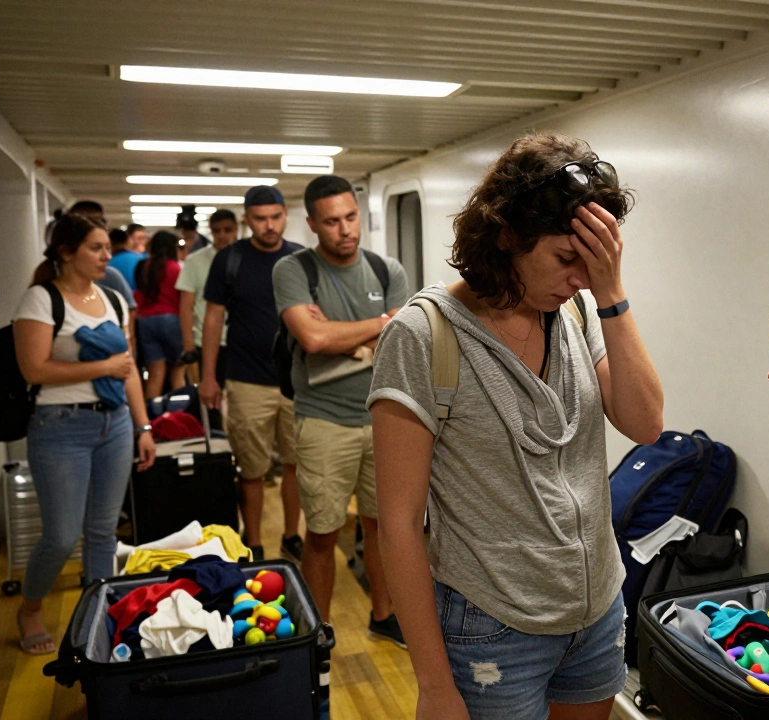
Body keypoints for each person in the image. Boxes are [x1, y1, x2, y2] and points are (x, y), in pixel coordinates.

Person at [368, 133, 665, 720]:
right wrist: (432, 684)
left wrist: (611, 292)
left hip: (596, 608)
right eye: (564, 258)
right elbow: (399, 523)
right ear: (506, 236)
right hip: (492, 628)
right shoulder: (424, 335)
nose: (579, 276)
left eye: (594, 260)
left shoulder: (576, 310)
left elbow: (646, 423)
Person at [273, 175, 410, 641]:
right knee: (323, 532)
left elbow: (398, 342)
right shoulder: (293, 271)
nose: (345, 229)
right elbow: (311, 338)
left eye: (351, 217)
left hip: (385, 419)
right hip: (323, 421)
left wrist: (339, 336)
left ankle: (383, 614)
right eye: (331, 222)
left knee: (382, 527)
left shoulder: (387, 269)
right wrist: (375, 327)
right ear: (312, 224)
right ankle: (319, 631)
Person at [12, 213, 156, 654]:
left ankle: (98, 619)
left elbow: (128, 368)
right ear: (66, 252)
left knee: (101, 532)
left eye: (107, 248)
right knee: (60, 534)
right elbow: (33, 369)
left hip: (113, 424)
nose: (106, 256)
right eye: (96, 248)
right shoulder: (40, 300)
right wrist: (103, 367)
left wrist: (143, 425)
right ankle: (31, 608)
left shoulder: (112, 298)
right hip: (60, 427)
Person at [200, 186, 304, 563]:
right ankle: (254, 541)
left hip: (297, 381)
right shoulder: (231, 260)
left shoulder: (299, 258)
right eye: (260, 219)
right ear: (247, 220)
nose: (269, 226)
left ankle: (293, 535)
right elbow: (213, 319)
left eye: (275, 217)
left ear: (285, 214)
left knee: (296, 464)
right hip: (246, 379)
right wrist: (208, 376)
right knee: (252, 468)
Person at [177, 209, 238, 384]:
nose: (222, 235)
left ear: (236, 230)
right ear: (210, 231)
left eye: (228, 230)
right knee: (211, 399)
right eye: (217, 230)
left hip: (241, 341)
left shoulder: (247, 258)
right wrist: (188, 344)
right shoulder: (195, 261)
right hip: (206, 342)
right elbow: (186, 306)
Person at [134, 230, 186, 399]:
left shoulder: (144, 266)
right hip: (171, 319)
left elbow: (139, 293)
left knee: (155, 371)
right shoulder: (174, 267)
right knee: (178, 370)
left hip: (145, 321)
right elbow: (181, 298)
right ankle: (179, 417)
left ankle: (152, 416)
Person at [108, 226, 146, 292]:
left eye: (142, 238)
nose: (138, 242)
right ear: (128, 240)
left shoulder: (107, 262)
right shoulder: (141, 259)